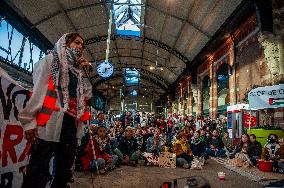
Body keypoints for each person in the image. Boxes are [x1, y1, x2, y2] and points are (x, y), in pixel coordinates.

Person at [19, 33, 92, 188]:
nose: (80, 47)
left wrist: (85, 74)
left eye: (82, 45)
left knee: (64, 170)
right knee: (38, 169)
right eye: (77, 43)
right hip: (49, 122)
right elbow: (38, 92)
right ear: (65, 43)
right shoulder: (50, 61)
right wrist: (29, 121)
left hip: (70, 124)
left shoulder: (78, 71)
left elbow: (87, 97)